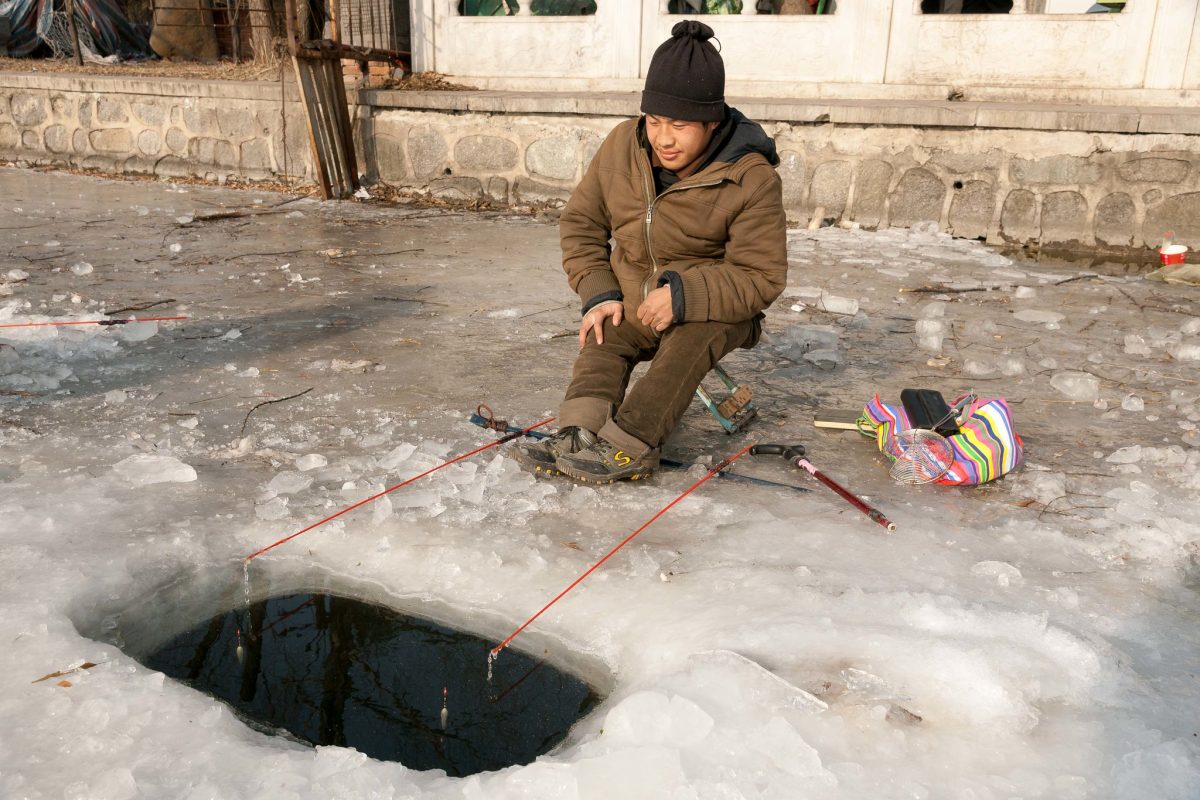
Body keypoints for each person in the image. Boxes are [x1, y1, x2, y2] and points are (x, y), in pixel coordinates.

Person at [514, 20, 788, 484]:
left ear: (712, 122)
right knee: (606, 334)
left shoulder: (750, 176)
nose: (663, 138)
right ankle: (578, 433)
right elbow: (581, 223)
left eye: (679, 125)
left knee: (687, 344)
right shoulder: (623, 145)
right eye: (655, 121)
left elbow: (761, 276)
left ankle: (631, 445)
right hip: (634, 295)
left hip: (716, 308)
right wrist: (599, 293)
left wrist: (682, 296)